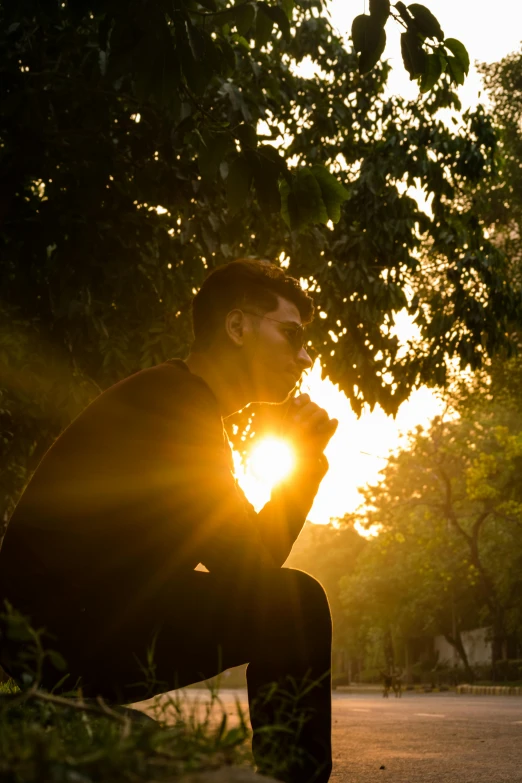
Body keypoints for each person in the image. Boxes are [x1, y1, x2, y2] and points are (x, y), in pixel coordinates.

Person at [0, 259, 338, 783]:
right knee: (297, 604)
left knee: (289, 601)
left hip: (77, 624)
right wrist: (304, 466)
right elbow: (253, 571)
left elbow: (248, 563)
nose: (305, 356)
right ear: (237, 326)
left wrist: (307, 466)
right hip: (58, 632)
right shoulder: (174, 407)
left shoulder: (182, 404)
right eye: (291, 334)